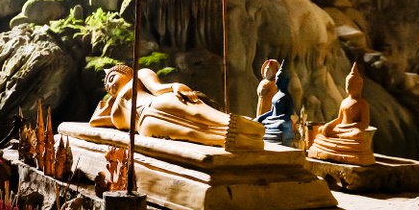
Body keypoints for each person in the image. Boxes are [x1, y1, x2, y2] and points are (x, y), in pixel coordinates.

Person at [90, 64, 230, 144]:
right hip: (146, 125)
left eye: (112, 78)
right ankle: (228, 140)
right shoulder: (115, 108)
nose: (110, 85)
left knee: (200, 115)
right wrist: (109, 103)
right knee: (191, 133)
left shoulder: (138, 76)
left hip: (156, 104)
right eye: (108, 87)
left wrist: (175, 86)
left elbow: (157, 88)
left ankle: (243, 126)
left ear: (127, 73)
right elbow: (94, 122)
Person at [308, 63, 375, 166]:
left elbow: (364, 124)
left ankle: (339, 142)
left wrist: (349, 127)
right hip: (341, 129)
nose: (348, 86)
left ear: (359, 86)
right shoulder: (344, 102)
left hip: (351, 131)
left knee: (358, 135)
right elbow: (340, 118)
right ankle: (337, 141)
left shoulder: (362, 104)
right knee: (322, 130)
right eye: (347, 84)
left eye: (351, 84)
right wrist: (328, 125)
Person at [257, 61, 298, 147]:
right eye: (277, 78)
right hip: (273, 120)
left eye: (279, 78)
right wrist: (260, 118)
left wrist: (278, 118)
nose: (277, 81)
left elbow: (288, 115)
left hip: (281, 122)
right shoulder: (276, 95)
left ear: (286, 81)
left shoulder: (287, 97)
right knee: (261, 122)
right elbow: (272, 112)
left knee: (282, 125)